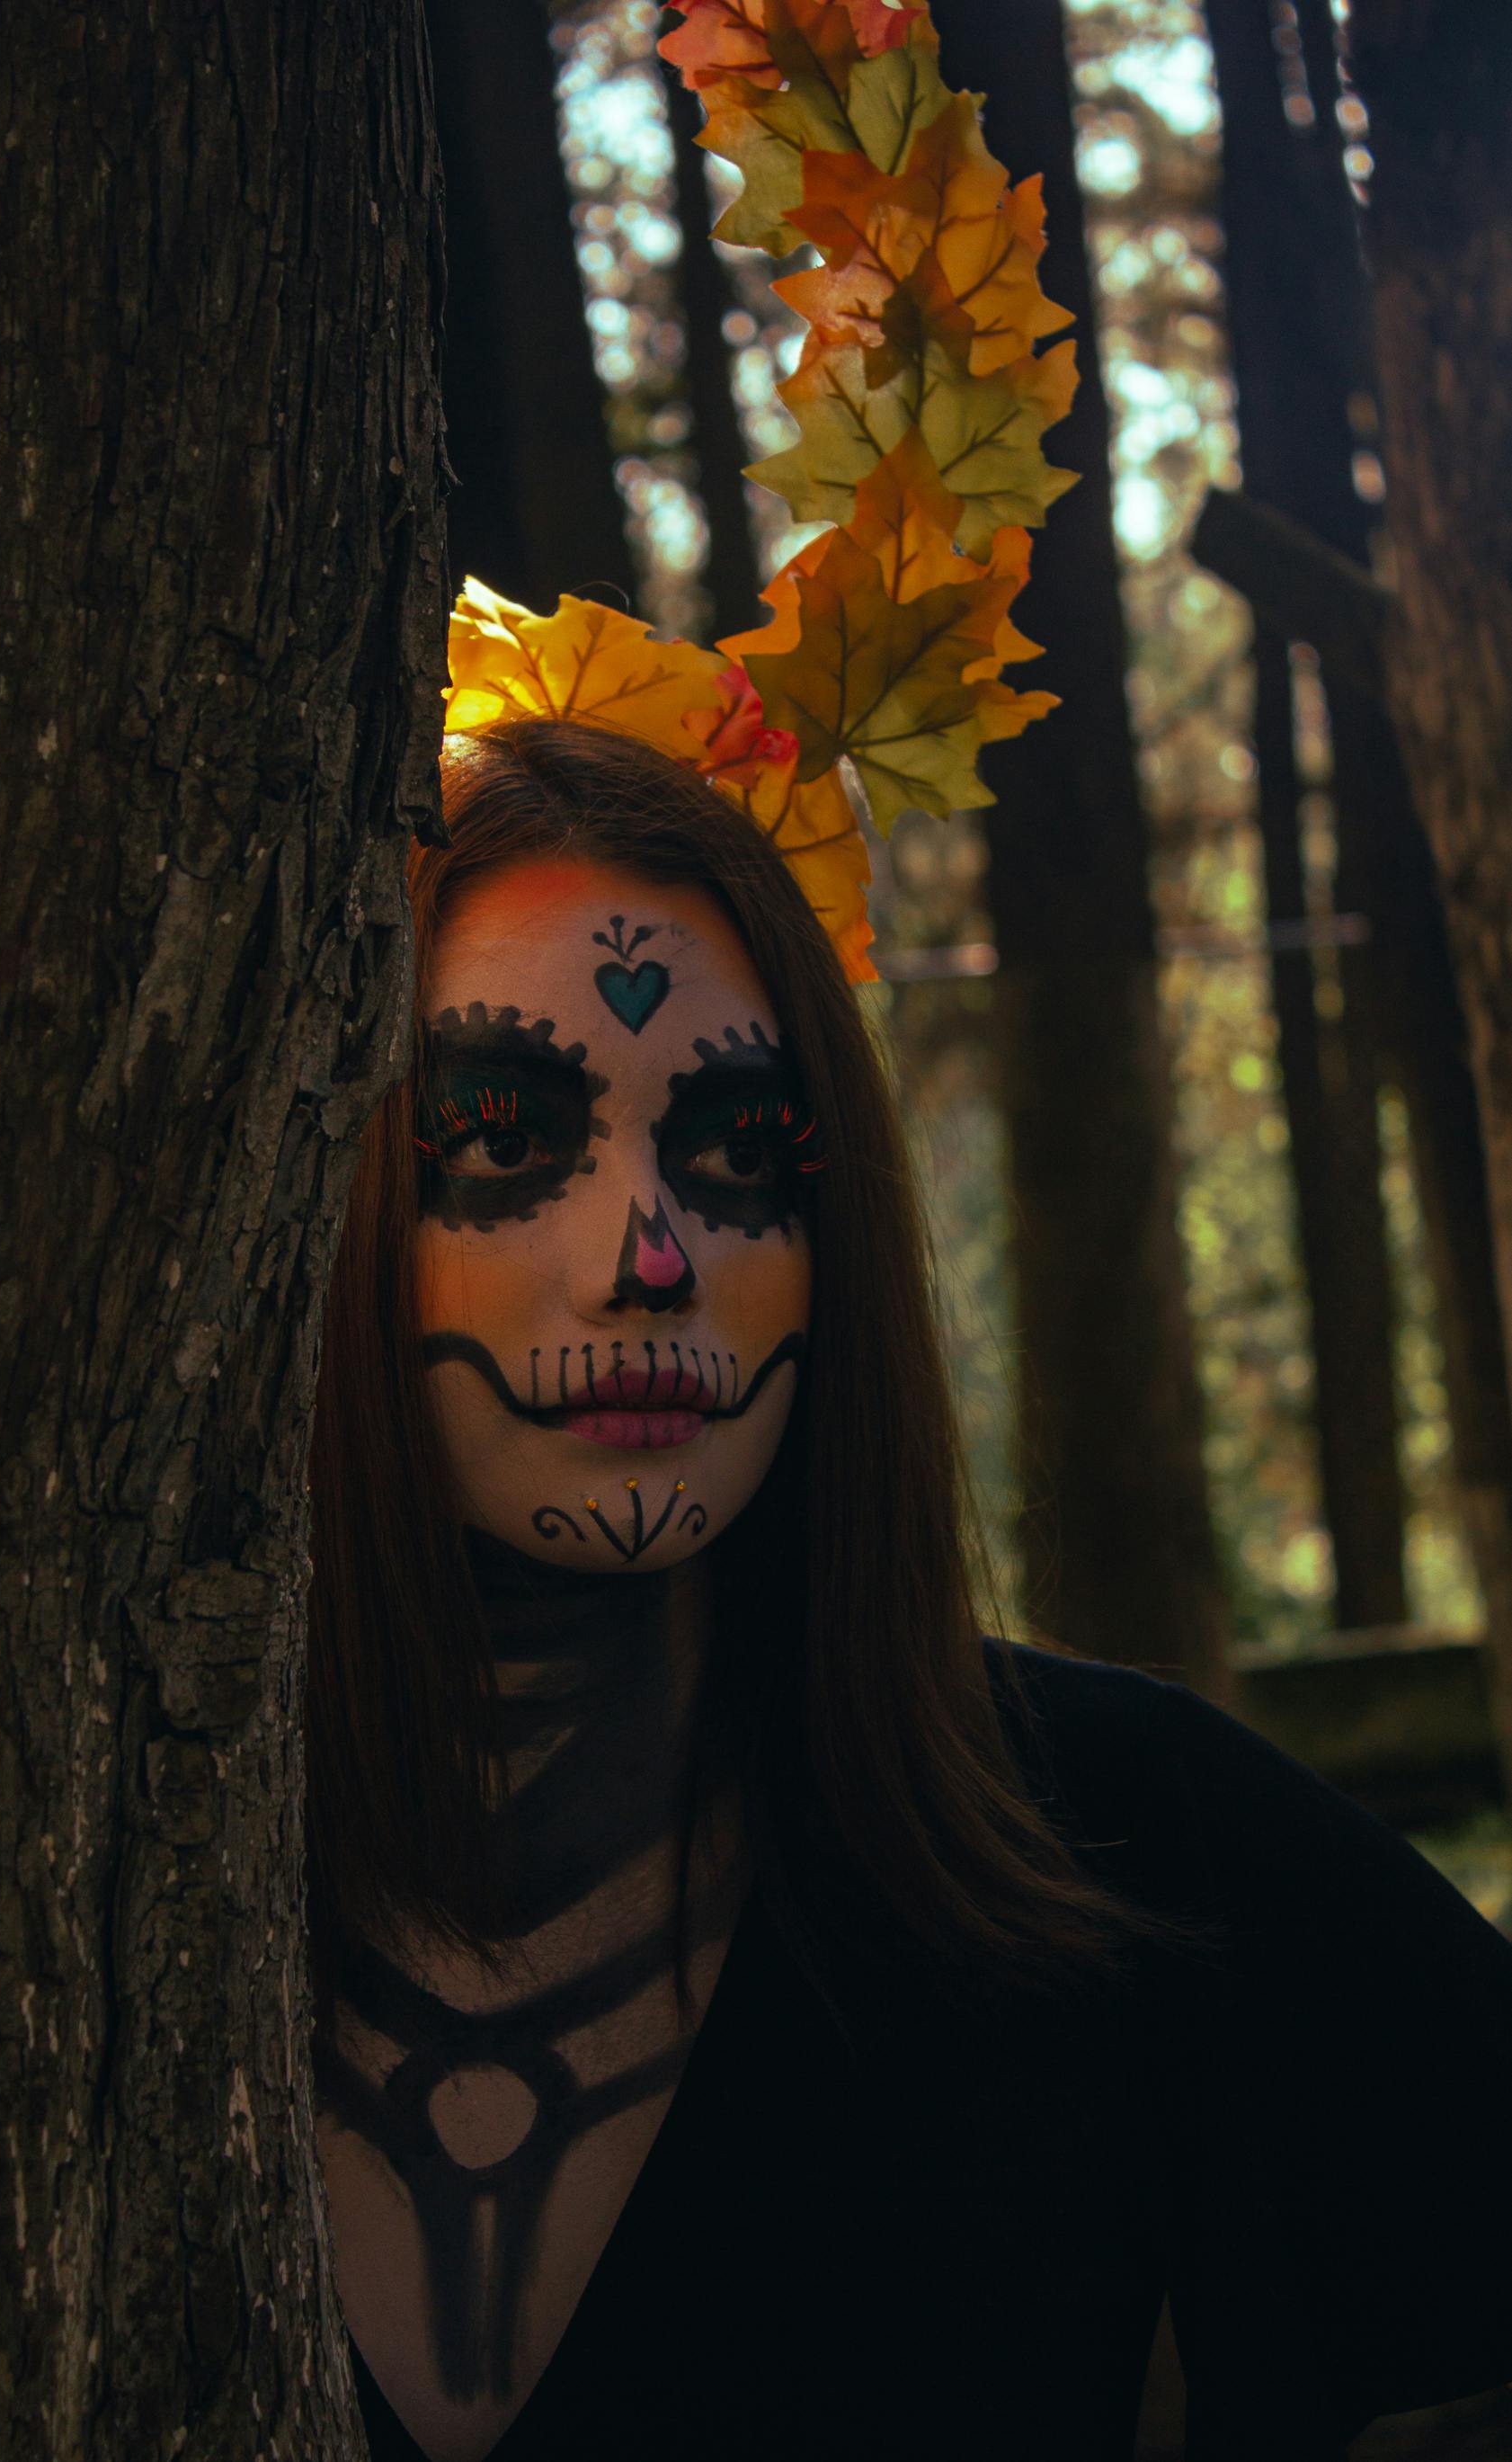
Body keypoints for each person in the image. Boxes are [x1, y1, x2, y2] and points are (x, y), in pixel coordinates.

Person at [304, 714, 1512, 2462]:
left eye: (734, 1148)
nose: (650, 1258)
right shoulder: (62, 1905)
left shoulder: (1118, 1835)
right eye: (497, 1130)